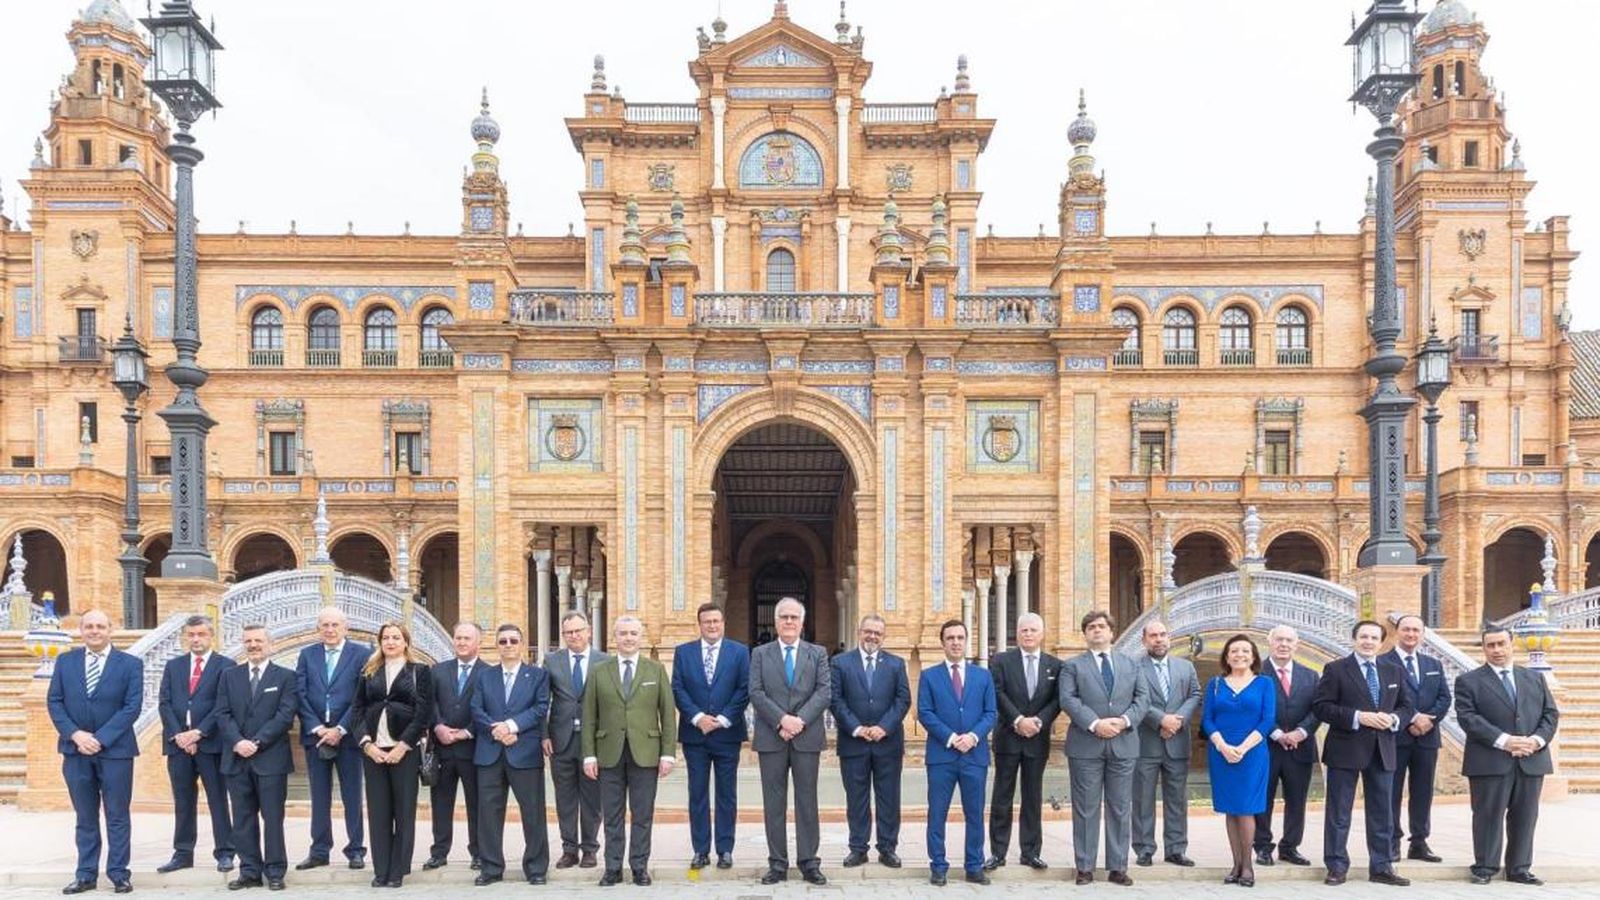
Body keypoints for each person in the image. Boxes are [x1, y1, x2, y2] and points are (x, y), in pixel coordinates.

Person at [1312, 619, 1415, 886]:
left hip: (1383, 749)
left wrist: (1393, 720)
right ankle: (1336, 866)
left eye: (1374, 638)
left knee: (1382, 812)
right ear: (1355, 639)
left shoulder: (1394, 670)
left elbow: (1406, 707)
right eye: (1363, 637)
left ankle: (1381, 867)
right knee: (1339, 812)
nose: (1368, 641)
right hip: (1345, 749)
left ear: (1382, 642)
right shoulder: (1336, 669)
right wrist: (1359, 717)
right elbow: (1322, 707)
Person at [1454, 625, 1559, 885]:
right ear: (1484, 649)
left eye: (1501, 644)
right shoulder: (1468, 681)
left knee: (1525, 816)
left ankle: (1519, 869)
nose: (1497, 650)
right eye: (1491, 645)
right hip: (1490, 761)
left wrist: (1535, 741)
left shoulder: (1533, 678)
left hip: (1531, 760)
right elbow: (1469, 719)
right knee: (1487, 816)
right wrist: (1505, 741)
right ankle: (1485, 867)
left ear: (1512, 644)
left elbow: (1550, 714)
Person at [48, 609, 144, 896]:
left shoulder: (130, 664)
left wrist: (100, 739)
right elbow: (54, 701)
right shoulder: (65, 661)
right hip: (75, 751)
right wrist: (76, 734)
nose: (94, 631)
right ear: (80, 630)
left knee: (117, 815)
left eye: (100, 626)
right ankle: (86, 874)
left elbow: (132, 707)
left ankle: (119, 874)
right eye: (89, 626)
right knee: (85, 817)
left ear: (110, 629)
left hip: (115, 751)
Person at [582, 616, 677, 886]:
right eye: (623, 633)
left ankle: (639, 867)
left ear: (641, 636)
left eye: (633, 633)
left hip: (645, 753)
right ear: (614, 637)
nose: (628, 638)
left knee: (642, 814)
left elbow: (667, 714)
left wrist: (667, 753)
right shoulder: (600, 671)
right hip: (608, 753)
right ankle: (612, 868)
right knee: (611, 815)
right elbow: (589, 715)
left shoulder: (655, 670)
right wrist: (589, 754)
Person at [1058, 609, 1149, 886]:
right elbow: (1068, 700)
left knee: (1120, 807)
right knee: (1086, 808)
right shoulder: (1072, 666)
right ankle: (1085, 866)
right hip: (1086, 745)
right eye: (1091, 627)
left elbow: (1142, 699)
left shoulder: (1131, 664)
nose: (1097, 630)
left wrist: (1123, 722)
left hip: (1123, 743)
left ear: (1111, 632)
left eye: (1101, 626)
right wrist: (1095, 724)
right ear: (1085, 635)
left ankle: (1118, 866)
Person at [748, 597, 832, 886]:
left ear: (802, 622)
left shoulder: (817, 653)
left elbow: (824, 692)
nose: (788, 622)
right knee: (774, 803)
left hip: (806, 737)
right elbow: (756, 692)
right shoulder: (760, 654)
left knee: (807, 801)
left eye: (794, 617)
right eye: (783, 617)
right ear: (775, 621)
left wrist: (799, 721)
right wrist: (781, 720)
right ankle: (777, 863)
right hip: (772, 737)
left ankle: (809, 862)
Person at [214, 624, 299, 892]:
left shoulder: (286, 676)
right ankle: (249, 871)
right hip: (237, 758)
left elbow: (285, 716)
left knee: (273, 819)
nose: (253, 645)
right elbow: (222, 713)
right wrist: (238, 741)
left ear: (269, 644)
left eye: (258, 640)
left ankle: (275, 871)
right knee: (242, 820)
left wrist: (257, 742)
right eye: (248, 641)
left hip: (270, 758)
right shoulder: (229, 676)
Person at [351, 622, 433, 888]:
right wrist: (366, 744)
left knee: (403, 811)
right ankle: (381, 869)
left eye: (396, 637)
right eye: (386, 637)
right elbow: (357, 710)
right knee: (379, 812)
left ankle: (398, 870)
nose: (390, 642)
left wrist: (403, 746)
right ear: (380, 642)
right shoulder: (368, 671)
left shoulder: (419, 671)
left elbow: (423, 714)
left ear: (406, 642)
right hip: (374, 751)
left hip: (404, 751)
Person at [470, 623, 552, 886]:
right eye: (503, 641)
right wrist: (496, 730)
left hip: (524, 752)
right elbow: (476, 708)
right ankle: (491, 868)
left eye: (513, 641)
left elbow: (540, 708)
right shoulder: (484, 675)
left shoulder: (537, 675)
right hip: (489, 753)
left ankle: (536, 868)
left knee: (533, 813)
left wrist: (512, 726)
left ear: (522, 644)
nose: (508, 645)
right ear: (497, 645)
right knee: (488, 814)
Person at [918, 620, 997, 886]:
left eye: (960, 637)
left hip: (974, 756)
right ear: (942, 642)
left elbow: (991, 713)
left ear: (967, 641)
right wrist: (952, 738)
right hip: (942, 756)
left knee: (974, 813)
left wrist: (973, 737)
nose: (955, 642)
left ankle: (974, 865)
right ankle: (938, 866)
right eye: (950, 637)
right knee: (937, 812)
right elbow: (925, 713)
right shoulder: (929, 676)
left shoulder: (983, 676)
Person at [293, 607, 372, 871]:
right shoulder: (307, 655)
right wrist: (317, 728)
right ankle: (319, 851)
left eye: (335, 625)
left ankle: (356, 850)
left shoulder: (362, 654)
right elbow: (299, 694)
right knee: (319, 795)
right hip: (315, 738)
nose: (329, 629)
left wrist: (339, 728)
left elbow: (362, 697)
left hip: (347, 737)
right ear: (319, 628)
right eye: (324, 625)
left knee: (352, 794)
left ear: (345, 628)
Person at [671, 603, 748, 870]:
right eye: (707, 622)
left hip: (727, 734)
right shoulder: (684, 652)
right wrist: (698, 718)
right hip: (695, 735)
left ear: (723, 622)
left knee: (727, 794)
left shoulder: (739, 652)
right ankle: (700, 850)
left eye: (716, 621)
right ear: (699, 624)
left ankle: (725, 849)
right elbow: (678, 688)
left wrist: (724, 719)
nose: (712, 626)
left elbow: (744, 689)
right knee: (698, 794)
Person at [156, 614, 235, 874]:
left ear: (211, 635)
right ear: (185, 637)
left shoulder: (226, 665)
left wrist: (198, 733)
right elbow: (165, 703)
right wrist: (180, 735)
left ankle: (225, 852)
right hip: (178, 746)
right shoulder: (174, 666)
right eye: (191, 634)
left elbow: (224, 705)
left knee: (217, 799)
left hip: (211, 745)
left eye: (201, 634)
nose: (196, 639)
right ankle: (183, 853)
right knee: (183, 800)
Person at [830, 614, 910, 869]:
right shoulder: (841, 663)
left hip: (887, 744)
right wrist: (856, 728)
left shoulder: (896, 664)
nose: (872, 636)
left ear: (883, 636)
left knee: (889, 798)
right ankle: (858, 848)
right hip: (854, 744)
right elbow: (835, 700)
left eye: (877, 633)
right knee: (857, 799)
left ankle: (887, 849)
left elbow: (903, 700)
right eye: (868, 631)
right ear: (859, 632)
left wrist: (883, 727)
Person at [985, 612, 1061, 872]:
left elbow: (1057, 701)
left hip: (1037, 741)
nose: (1028, 634)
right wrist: (1018, 720)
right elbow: (996, 693)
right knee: (1002, 796)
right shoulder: (1001, 661)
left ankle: (1030, 852)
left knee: (1033, 797)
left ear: (1042, 634)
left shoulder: (1055, 665)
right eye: (1024, 630)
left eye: (1033, 630)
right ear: (1017, 634)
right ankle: (997, 852)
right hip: (1008, 738)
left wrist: (1038, 721)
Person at [1202, 634, 1276, 887]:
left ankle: (1248, 866)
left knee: (1245, 809)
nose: (1240, 655)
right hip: (1221, 752)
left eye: (1245, 651)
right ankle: (1235, 864)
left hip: (1252, 752)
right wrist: (1223, 746)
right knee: (1230, 810)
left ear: (1254, 656)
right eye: (1234, 651)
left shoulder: (1264, 683)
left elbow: (1267, 720)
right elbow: (1207, 719)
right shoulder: (1215, 684)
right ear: (1226, 656)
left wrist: (1242, 748)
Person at [1383, 614, 1452, 864]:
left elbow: (1445, 697)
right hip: (1396, 737)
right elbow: (1384, 700)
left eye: (1416, 630)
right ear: (1397, 632)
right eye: (1406, 630)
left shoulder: (1433, 664)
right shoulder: (1384, 662)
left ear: (1423, 634)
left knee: (1423, 792)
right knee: (1392, 790)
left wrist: (1428, 720)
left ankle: (1419, 842)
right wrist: (1411, 718)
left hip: (1427, 738)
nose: (1411, 635)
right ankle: (1392, 840)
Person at [1132, 619, 1201, 869]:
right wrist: (1161, 719)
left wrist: (1177, 721)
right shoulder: (1134, 667)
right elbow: (1133, 699)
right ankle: (1144, 848)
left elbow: (1195, 694)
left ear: (1169, 638)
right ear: (1144, 640)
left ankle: (1176, 849)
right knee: (1142, 799)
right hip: (1145, 743)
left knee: (1177, 800)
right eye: (1153, 636)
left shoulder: (1186, 667)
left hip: (1177, 743)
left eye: (1162, 635)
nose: (1159, 639)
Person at [1253, 625, 1321, 868]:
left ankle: (1290, 847)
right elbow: (1254, 709)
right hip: (1265, 747)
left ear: (1296, 645)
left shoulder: (1311, 675)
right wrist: (1278, 733)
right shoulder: (1256, 672)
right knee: (1263, 799)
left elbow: (1318, 708)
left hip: (1300, 748)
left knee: (1297, 800)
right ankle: (1262, 847)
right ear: (1269, 642)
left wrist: (1301, 732)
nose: (1283, 644)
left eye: (1288, 641)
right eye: (1279, 640)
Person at [546, 611, 609, 870]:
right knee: (565, 798)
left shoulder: (605, 661)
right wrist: (544, 734)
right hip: (560, 740)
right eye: (568, 632)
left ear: (589, 631)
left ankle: (590, 849)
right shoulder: (551, 661)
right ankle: (569, 849)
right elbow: (541, 701)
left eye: (578, 630)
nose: (574, 636)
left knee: (592, 797)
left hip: (593, 741)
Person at [424, 622, 484, 872]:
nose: (461, 642)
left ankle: (479, 852)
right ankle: (439, 852)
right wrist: (438, 726)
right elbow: (428, 703)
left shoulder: (488, 672)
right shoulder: (437, 671)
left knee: (476, 803)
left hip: (473, 749)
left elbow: (487, 708)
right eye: (458, 637)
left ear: (478, 642)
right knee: (440, 802)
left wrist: (466, 731)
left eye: (467, 638)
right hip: (442, 748)